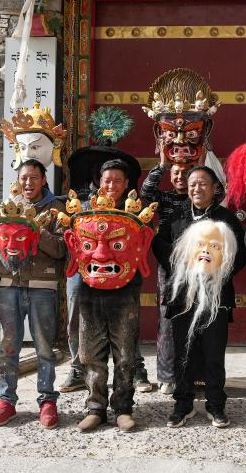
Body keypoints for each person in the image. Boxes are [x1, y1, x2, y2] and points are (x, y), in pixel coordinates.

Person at [154, 166, 246, 429]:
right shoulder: (176, 217)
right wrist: (181, 262)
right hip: (182, 296)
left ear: (215, 187)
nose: (197, 188)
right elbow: (159, 244)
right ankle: (182, 404)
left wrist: (220, 269)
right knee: (183, 352)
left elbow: (241, 253)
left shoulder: (227, 219)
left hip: (216, 296)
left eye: (203, 184)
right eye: (193, 184)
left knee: (213, 353)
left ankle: (216, 405)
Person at [0, 159, 66, 429]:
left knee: (44, 347)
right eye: (24, 178)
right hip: (10, 285)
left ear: (44, 179)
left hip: (43, 286)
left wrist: (35, 231)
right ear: (18, 180)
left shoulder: (56, 210)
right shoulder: (8, 209)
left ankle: (47, 400)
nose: (28, 183)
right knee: (8, 346)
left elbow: (61, 250)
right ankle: (6, 400)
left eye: (34, 177)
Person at [75, 159, 145, 432]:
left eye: (117, 181)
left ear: (126, 184)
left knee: (125, 352)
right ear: (99, 182)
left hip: (125, 289)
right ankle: (95, 407)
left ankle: (123, 407)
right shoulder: (85, 211)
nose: (112, 185)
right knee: (90, 352)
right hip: (90, 290)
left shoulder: (135, 211)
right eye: (107, 180)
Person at [140, 153, 192, 396]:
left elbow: (220, 191)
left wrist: (202, 162)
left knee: (197, 318)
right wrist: (161, 165)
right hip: (169, 264)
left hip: (197, 264)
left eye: (185, 173)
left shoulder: (200, 198)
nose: (181, 177)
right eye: (176, 173)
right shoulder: (165, 198)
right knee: (168, 319)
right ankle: (167, 376)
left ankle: (194, 374)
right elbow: (146, 192)